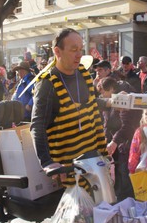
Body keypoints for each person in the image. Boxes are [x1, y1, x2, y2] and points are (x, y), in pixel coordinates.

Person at [30, 28, 107, 189]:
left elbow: (91, 108)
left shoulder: (84, 74)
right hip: (69, 175)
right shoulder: (47, 84)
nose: (79, 55)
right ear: (57, 51)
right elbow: (37, 125)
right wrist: (47, 162)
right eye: (73, 50)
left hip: (95, 166)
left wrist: (112, 102)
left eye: (80, 49)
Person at [98, 76, 141, 201]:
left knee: (124, 170)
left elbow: (127, 126)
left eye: (103, 92)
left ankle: (128, 198)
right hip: (117, 141)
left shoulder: (123, 99)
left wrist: (115, 141)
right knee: (117, 169)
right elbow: (108, 121)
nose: (102, 96)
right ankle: (120, 194)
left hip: (126, 142)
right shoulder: (111, 100)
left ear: (111, 89)